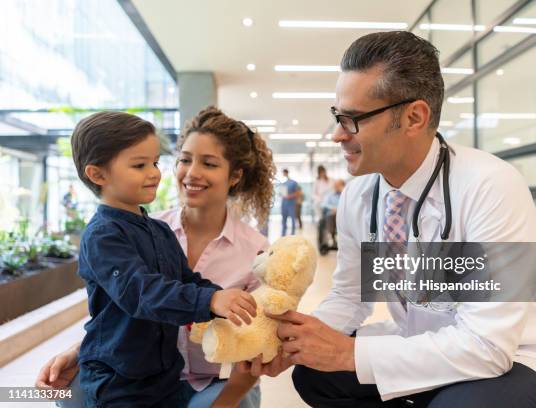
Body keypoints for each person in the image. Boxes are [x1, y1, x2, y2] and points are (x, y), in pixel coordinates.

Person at [246, 31, 536, 407]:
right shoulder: (359, 196)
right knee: (315, 375)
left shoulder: (490, 186)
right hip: (426, 343)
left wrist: (345, 353)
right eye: (337, 116)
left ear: (414, 117)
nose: (338, 134)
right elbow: (350, 297)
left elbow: (488, 345)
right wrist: (291, 343)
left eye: (353, 119)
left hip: (522, 355)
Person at [37, 107, 277, 407]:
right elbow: (139, 292)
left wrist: (218, 297)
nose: (155, 173)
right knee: (70, 395)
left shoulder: (162, 231)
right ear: (97, 174)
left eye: (154, 163)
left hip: (180, 378)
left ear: (235, 175)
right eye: (184, 160)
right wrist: (211, 301)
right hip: (121, 380)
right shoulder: (104, 235)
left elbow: (190, 282)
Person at [318, 179, 345, 251]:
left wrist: (339, 210)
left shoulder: (346, 195)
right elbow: (323, 204)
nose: (335, 187)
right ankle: (328, 241)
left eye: (338, 185)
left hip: (344, 216)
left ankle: (334, 237)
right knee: (326, 219)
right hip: (331, 215)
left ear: (342, 186)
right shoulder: (330, 195)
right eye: (335, 185)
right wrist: (333, 208)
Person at [279, 169, 299, 236]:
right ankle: (283, 235)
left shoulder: (293, 183)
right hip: (284, 204)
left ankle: (293, 234)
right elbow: (282, 194)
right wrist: (281, 194)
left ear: (287, 173)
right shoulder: (283, 183)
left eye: (284, 173)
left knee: (293, 219)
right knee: (283, 220)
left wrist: (289, 196)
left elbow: (297, 193)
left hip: (291, 204)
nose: (284, 174)